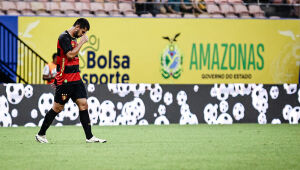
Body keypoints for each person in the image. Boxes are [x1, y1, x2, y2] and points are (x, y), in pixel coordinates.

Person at [35, 18, 106, 144]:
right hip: (65, 81)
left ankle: (89, 137)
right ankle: (41, 134)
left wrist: (79, 41)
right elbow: (70, 55)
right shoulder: (63, 37)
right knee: (57, 108)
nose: (83, 35)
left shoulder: (74, 38)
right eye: (83, 32)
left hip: (76, 79)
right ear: (77, 27)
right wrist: (82, 42)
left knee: (83, 104)